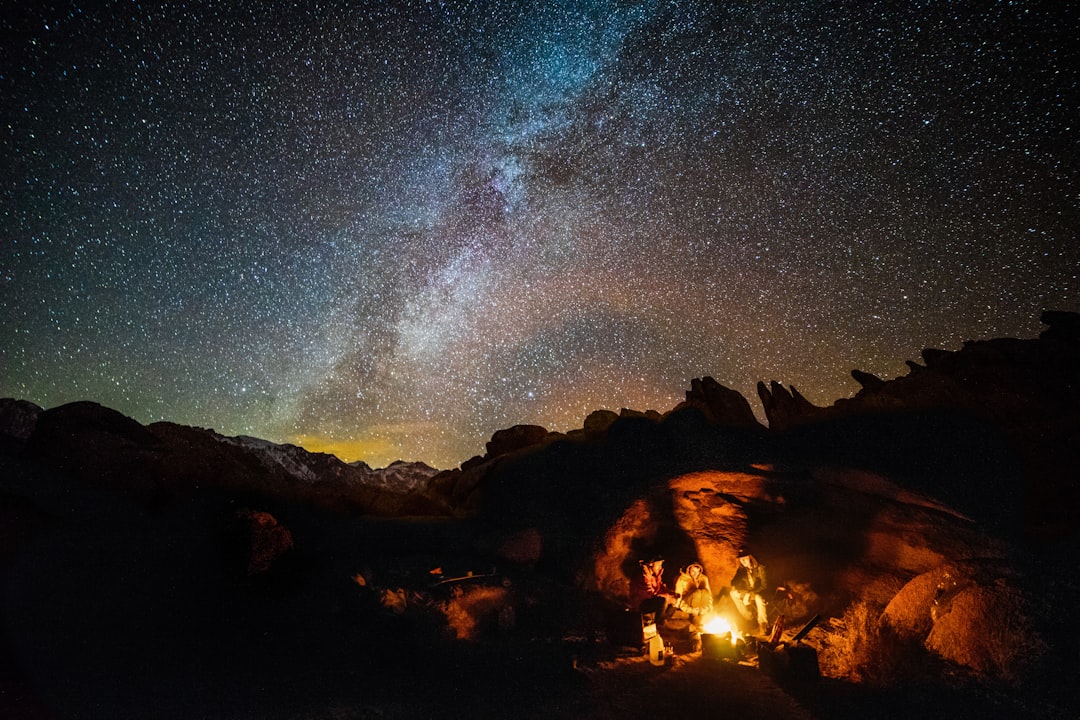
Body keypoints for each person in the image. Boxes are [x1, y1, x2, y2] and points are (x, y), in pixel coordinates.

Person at [729, 550, 769, 634]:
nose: (743, 561)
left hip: (761, 592)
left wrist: (750, 593)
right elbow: (734, 581)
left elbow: (765, 586)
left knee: (758, 598)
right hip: (749, 592)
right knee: (733, 593)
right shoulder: (742, 569)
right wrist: (734, 587)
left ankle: (763, 624)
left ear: (750, 558)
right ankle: (750, 618)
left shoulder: (760, 568)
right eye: (741, 559)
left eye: (745, 558)